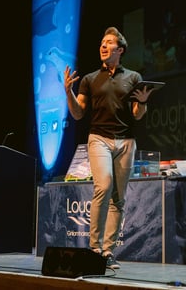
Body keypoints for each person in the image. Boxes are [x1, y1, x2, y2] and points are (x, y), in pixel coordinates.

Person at [63, 26, 152, 270]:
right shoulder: (90, 79)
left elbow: (137, 115)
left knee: (118, 199)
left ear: (120, 50)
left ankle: (107, 252)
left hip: (126, 142)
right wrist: (69, 92)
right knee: (103, 185)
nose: (103, 46)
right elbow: (78, 113)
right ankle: (93, 249)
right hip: (99, 138)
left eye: (109, 42)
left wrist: (142, 102)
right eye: (102, 42)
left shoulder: (133, 77)